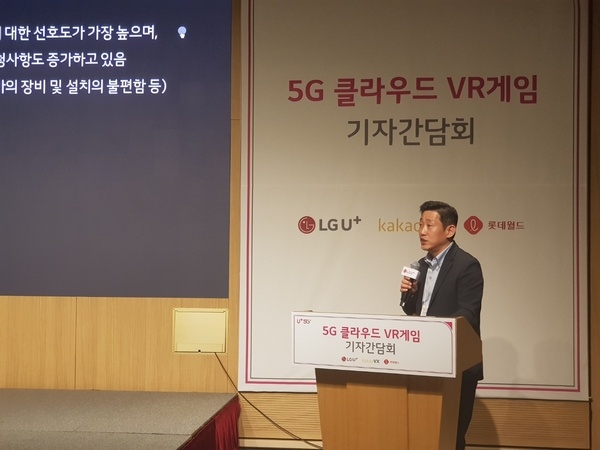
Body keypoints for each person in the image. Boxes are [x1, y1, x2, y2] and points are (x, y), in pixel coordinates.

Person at [400, 200, 483, 450]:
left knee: (450, 435)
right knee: (422, 433)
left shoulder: (467, 265)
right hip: (424, 361)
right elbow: (413, 310)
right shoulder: (420, 266)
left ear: (450, 230)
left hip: (455, 362)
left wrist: (434, 335)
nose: (422, 231)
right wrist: (409, 294)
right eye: (420, 225)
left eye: (429, 225)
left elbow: (468, 313)